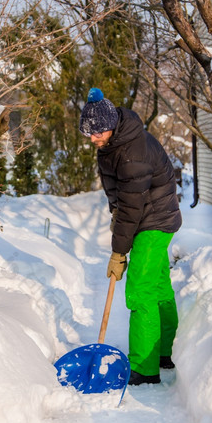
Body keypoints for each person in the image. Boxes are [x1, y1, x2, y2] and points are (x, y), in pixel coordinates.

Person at [79, 88, 182, 385]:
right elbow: (120, 197)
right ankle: (163, 352)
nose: (93, 139)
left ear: (110, 125)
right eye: (89, 133)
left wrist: (118, 252)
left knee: (140, 291)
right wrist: (117, 221)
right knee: (159, 285)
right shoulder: (113, 144)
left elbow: (132, 206)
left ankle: (145, 369)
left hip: (153, 220)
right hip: (153, 216)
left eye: (97, 133)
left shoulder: (131, 152)